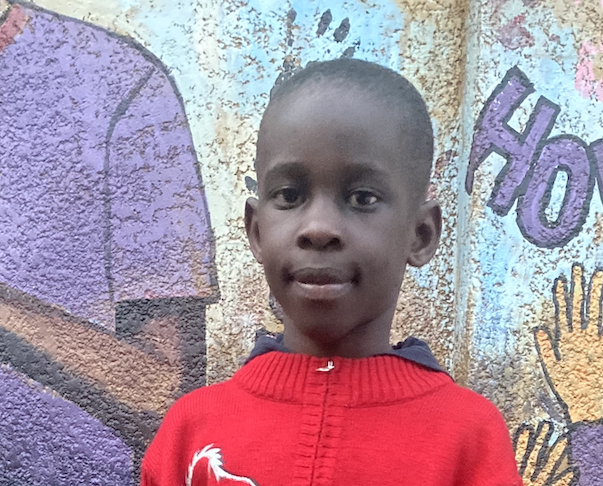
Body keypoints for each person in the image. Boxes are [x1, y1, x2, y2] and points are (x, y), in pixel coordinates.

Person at [140, 58, 520, 485]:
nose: (318, 228)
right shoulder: (191, 433)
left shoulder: (468, 437)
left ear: (421, 234)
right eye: (289, 195)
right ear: (256, 230)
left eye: (362, 198)